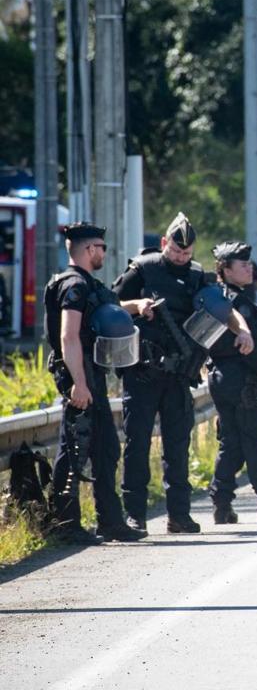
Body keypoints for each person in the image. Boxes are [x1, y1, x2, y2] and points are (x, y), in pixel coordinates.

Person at [113, 212, 252, 535]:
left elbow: (225, 309)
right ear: (164, 243)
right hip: (143, 373)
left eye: (186, 253)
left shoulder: (197, 275)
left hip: (178, 375)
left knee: (178, 446)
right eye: (175, 251)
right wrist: (139, 305)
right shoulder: (143, 269)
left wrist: (243, 331)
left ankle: (179, 515)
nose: (180, 257)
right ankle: (134, 515)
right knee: (137, 445)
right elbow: (110, 304)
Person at [45, 222, 154, 544]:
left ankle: (110, 521)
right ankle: (65, 523)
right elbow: (69, 336)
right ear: (90, 250)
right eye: (102, 248)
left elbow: (105, 310)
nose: (105, 253)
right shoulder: (73, 285)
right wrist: (79, 383)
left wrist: (135, 307)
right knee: (75, 449)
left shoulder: (88, 285)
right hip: (79, 376)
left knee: (105, 448)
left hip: (92, 374)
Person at [208, 241, 257, 524]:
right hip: (244, 377)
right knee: (255, 443)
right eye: (242, 265)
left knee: (231, 443)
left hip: (220, 377)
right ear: (225, 270)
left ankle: (221, 505)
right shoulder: (239, 305)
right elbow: (250, 351)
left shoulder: (214, 299)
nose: (249, 268)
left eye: (250, 264)